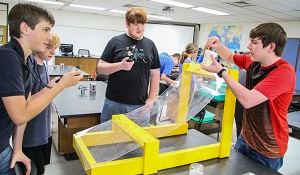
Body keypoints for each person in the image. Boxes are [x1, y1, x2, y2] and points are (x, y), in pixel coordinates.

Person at [0, 2, 83, 175]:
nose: (49, 36)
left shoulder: (27, 60)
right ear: (25, 28)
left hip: (4, 146)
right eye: (45, 30)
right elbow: (20, 115)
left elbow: (27, 103)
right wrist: (61, 86)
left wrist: (17, 149)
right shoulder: (7, 57)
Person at [201, 22, 296, 171]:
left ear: (271, 46)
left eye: (254, 42)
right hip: (245, 138)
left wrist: (222, 72)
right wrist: (218, 46)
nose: (249, 46)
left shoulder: (284, 72)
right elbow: (231, 56)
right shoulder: (254, 62)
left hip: (267, 147)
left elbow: (248, 100)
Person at [97, 7, 160, 126]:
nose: (139, 28)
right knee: (107, 140)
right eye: (135, 24)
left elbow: (155, 73)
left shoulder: (150, 45)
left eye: (142, 24)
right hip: (114, 103)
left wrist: (151, 98)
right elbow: (100, 68)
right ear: (127, 23)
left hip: (140, 105)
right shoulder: (115, 42)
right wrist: (120, 65)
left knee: (137, 142)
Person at [21, 32, 61, 175]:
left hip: (44, 130)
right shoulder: (28, 67)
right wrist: (53, 88)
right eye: (49, 47)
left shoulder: (43, 65)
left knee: (42, 168)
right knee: (34, 170)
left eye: (55, 47)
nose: (53, 52)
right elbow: (26, 103)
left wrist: (50, 86)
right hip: (32, 134)